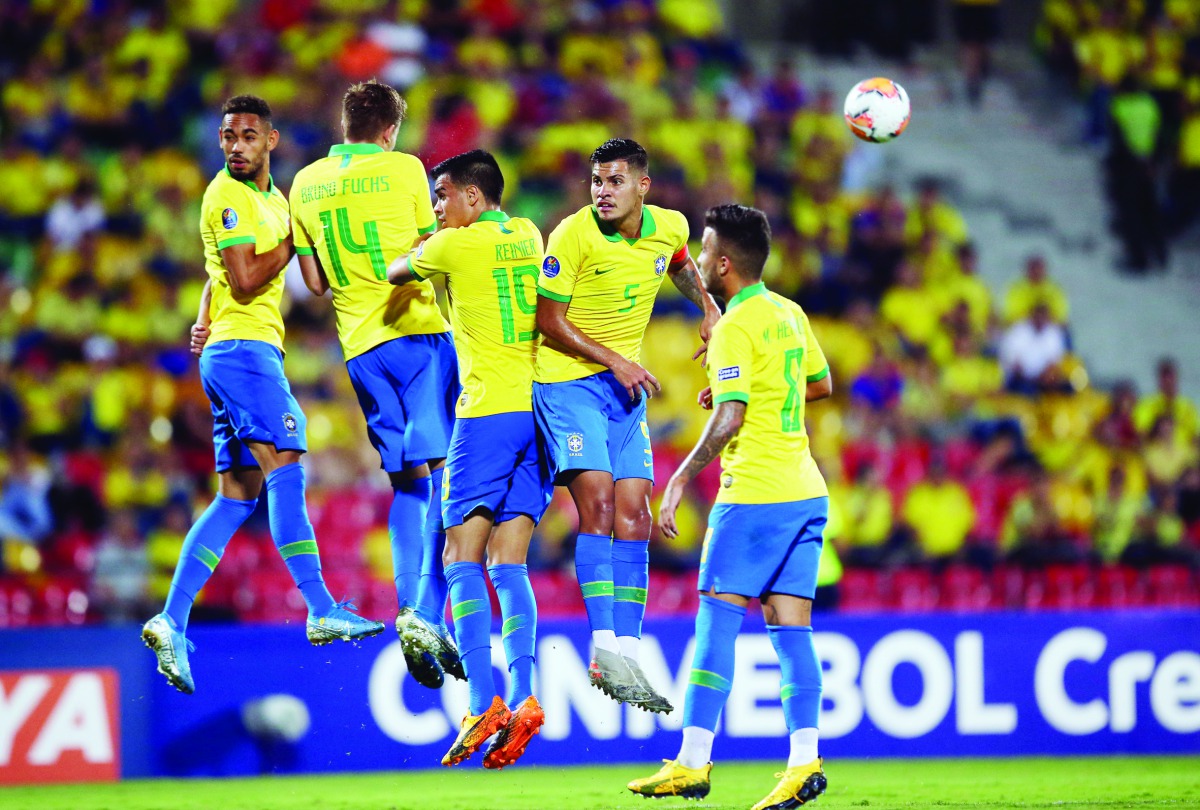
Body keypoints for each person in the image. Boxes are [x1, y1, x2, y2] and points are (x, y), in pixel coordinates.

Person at [142, 95, 384, 696]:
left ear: (270, 141)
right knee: (288, 463)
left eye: (248, 136)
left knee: (235, 498)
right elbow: (246, 277)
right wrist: (298, 240)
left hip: (238, 350)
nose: (235, 146)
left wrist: (204, 316)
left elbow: (217, 276)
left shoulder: (273, 199)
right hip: (244, 353)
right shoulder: (225, 195)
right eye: (228, 136)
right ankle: (320, 606)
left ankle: (171, 619)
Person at [628, 204, 830, 809]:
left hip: (753, 496)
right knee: (791, 629)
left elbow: (732, 417)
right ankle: (804, 761)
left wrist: (680, 478)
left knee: (716, 622)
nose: (697, 256)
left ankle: (692, 763)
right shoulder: (788, 313)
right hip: (805, 491)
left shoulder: (734, 326)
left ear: (722, 264)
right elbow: (820, 384)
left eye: (704, 248)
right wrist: (743, 391)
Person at [533, 137, 720, 712]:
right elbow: (548, 319)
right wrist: (616, 359)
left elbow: (681, 264)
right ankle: (603, 648)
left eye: (615, 181)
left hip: (623, 392)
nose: (602, 192)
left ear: (643, 185)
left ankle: (629, 653)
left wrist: (709, 307)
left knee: (636, 513)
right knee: (598, 504)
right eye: (596, 180)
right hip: (568, 382)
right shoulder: (572, 234)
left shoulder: (670, 227)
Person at [289, 80, 462, 689]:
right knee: (448, 477)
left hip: (360, 351)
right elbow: (429, 251)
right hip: (417, 336)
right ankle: (426, 613)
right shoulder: (407, 169)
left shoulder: (304, 183)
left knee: (407, 484)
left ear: (345, 125)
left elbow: (313, 283)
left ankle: (410, 607)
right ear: (390, 131)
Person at [387, 149, 551, 769]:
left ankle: (483, 702)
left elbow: (397, 272)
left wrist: (422, 242)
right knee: (510, 563)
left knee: (459, 556)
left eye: (443, 195)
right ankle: (526, 695)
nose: (437, 207)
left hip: (485, 415)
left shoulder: (452, 245)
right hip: (538, 414)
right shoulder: (529, 233)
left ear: (473, 197)